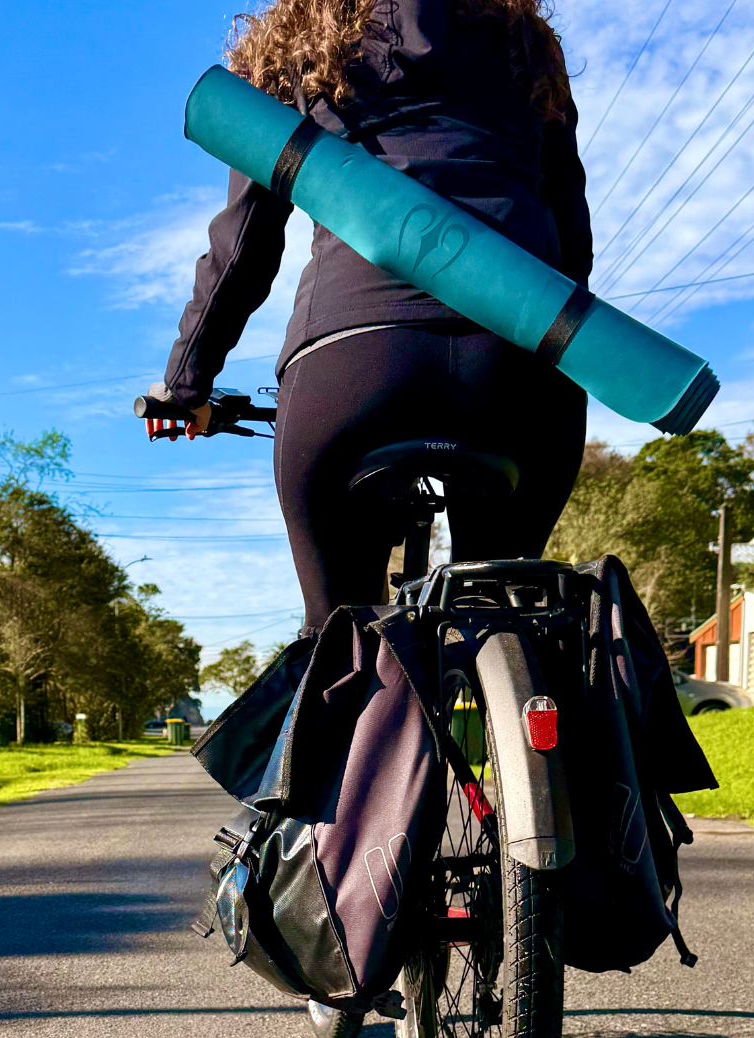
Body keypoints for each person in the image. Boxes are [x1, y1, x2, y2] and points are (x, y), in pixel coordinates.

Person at [146, 0, 591, 636]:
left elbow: (242, 248)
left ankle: (347, 678)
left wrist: (184, 385)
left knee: (337, 630)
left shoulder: (294, 46)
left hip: (353, 360)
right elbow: (571, 238)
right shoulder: (525, 42)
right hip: (524, 358)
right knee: (503, 611)